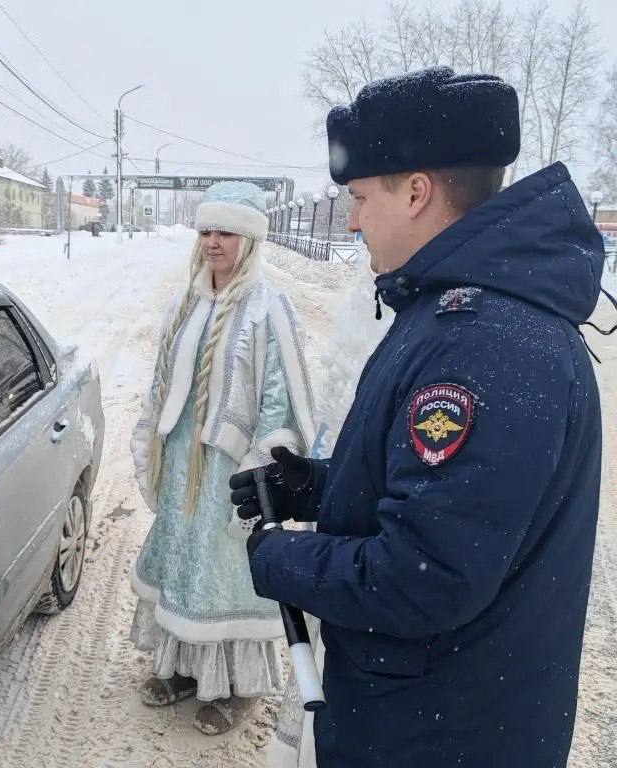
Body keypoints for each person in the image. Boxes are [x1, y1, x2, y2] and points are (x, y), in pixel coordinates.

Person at [231, 66, 605, 766]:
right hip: (444, 718)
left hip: (437, 738)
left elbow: (422, 577)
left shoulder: (481, 342)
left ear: (416, 191)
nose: (351, 218)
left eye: (360, 196)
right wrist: (322, 485)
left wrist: (280, 559)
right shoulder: (463, 311)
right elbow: (454, 505)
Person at [129, 181, 316, 735]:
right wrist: (152, 445)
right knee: (184, 566)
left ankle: (241, 687)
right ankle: (185, 669)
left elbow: (281, 398)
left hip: (230, 472)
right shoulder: (185, 303)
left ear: (250, 240)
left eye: (225, 232)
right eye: (206, 231)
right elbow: (163, 385)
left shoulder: (269, 309)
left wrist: (260, 471)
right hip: (185, 467)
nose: (212, 242)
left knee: (229, 573)